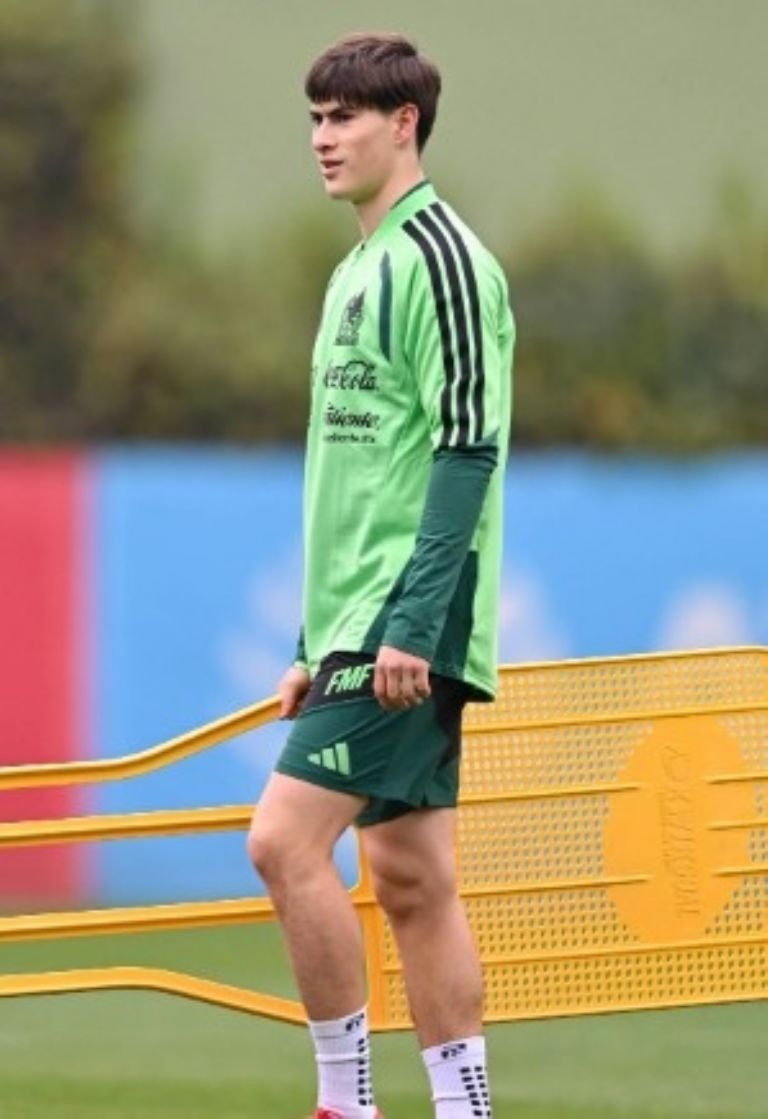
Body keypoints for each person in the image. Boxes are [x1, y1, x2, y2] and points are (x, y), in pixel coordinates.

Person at [247, 31, 514, 1119]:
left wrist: (409, 624)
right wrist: (312, 645)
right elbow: (350, 481)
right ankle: (465, 1110)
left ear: (404, 124)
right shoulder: (353, 269)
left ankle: (344, 1105)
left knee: (281, 842)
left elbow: (465, 451)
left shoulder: (444, 258)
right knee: (411, 881)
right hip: (356, 628)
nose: (323, 138)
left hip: (408, 622)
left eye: (344, 116)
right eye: (315, 118)